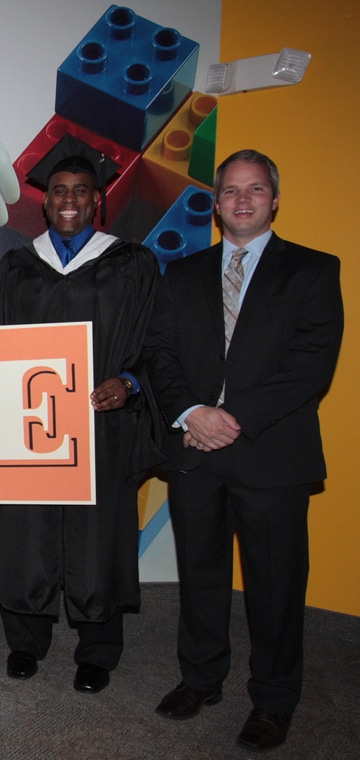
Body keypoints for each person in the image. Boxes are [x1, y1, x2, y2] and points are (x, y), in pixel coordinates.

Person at [144, 150, 343, 752]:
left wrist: (232, 418)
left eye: (256, 189)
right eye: (231, 191)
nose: (244, 200)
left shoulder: (312, 270)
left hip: (271, 455)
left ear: (275, 198)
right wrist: (191, 413)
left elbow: (312, 365)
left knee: (275, 586)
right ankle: (201, 679)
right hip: (196, 450)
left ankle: (274, 701)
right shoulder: (183, 274)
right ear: (218, 203)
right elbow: (160, 356)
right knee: (200, 574)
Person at [0, 149, 159, 694]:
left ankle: (98, 648)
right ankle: (26, 641)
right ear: (45, 199)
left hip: (100, 424)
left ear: (98, 198)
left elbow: (155, 342)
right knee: (28, 528)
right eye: (59, 190)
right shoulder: (18, 265)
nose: (69, 200)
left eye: (81, 190)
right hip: (32, 426)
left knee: (98, 533)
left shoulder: (131, 262)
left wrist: (128, 383)